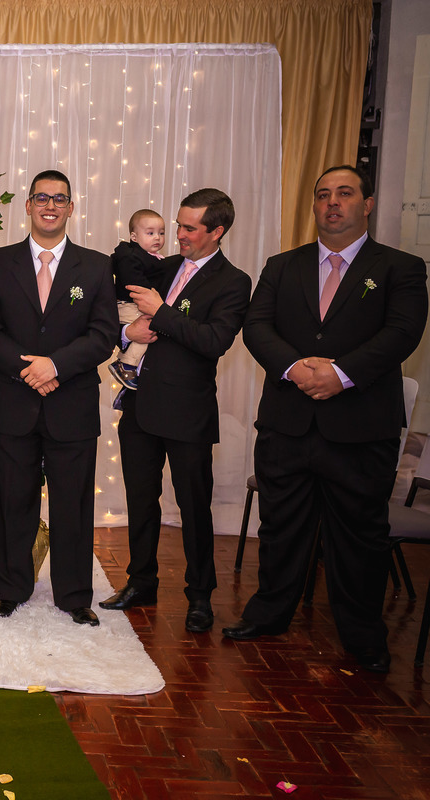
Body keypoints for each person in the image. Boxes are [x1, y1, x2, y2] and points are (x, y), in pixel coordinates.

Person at [224, 165, 428, 674]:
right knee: (280, 528)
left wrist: (341, 374)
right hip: (288, 422)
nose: (332, 202)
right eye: (323, 195)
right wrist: (296, 368)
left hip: (360, 428)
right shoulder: (282, 265)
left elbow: (403, 332)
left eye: (344, 193)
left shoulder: (400, 267)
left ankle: (363, 635)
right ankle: (268, 615)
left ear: (368, 204)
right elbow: (257, 326)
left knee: (359, 535)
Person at [99, 189, 251, 633]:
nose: (179, 234)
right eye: (178, 225)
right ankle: (141, 582)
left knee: (194, 507)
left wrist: (161, 312)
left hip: (188, 412)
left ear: (217, 231)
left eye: (189, 228)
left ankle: (200, 596)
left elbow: (214, 341)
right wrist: (128, 332)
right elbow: (121, 312)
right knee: (140, 500)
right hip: (141, 406)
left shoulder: (233, 281)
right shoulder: (161, 267)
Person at [0, 170, 118, 624]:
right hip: (13, 401)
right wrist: (29, 369)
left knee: (72, 504)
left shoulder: (95, 266)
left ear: (71, 208)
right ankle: (11, 589)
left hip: (71, 404)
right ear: (28, 206)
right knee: (11, 501)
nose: (50, 206)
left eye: (60, 199)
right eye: (42, 197)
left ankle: (75, 596)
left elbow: (103, 335)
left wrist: (55, 365)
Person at [108, 208, 168, 390]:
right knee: (149, 330)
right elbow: (134, 281)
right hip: (128, 305)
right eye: (150, 233)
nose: (157, 238)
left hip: (134, 304)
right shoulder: (131, 257)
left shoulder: (150, 257)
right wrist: (152, 293)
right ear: (134, 237)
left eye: (161, 233)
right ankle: (125, 364)